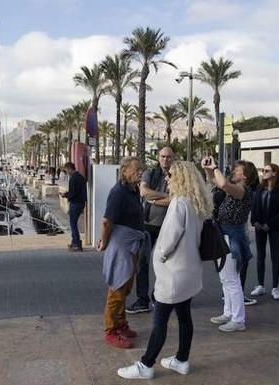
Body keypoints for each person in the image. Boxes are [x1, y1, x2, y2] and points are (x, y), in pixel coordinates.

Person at [117, 161, 213, 380]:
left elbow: (168, 239)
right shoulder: (198, 203)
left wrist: (159, 255)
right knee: (184, 317)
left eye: (170, 175)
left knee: (159, 321)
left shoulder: (179, 203)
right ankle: (181, 360)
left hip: (173, 274)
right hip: (190, 270)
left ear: (180, 177)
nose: (167, 178)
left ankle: (146, 365)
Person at [98, 157, 150, 349]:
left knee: (126, 287)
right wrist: (104, 241)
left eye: (141, 169)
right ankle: (111, 330)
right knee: (117, 289)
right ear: (125, 170)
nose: (140, 172)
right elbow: (106, 221)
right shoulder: (118, 192)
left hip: (132, 245)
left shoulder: (133, 189)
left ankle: (121, 324)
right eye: (137, 169)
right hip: (121, 245)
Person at [202, 156, 258, 332]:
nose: (233, 171)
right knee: (225, 278)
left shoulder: (243, 191)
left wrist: (216, 167)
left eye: (237, 170)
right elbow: (213, 180)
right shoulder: (235, 188)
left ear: (245, 176)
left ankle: (238, 319)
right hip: (222, 234)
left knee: (232, 279)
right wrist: (208, 169)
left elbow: (224, 184)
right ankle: (228, 312)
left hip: (232, 235)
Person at [126, 147, 175, 314]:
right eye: (163, 156)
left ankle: (160, 296)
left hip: (169, 225)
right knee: (143, 261)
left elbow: (177, 199)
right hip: (148, 224)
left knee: (167, 263)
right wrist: (164, 197)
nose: (166, 160)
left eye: (169, 157)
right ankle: (142, 299)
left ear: (173, 158)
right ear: (158, 157)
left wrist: (154, 200)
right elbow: (144, 191)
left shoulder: (177, 175)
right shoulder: (150, 173)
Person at [250, 163, 279, 300]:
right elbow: (254, 205)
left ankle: (275, 287)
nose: (264, 172)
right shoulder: (260, 187)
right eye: (263, 170)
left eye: (267, 170)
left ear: (274, 173)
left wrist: (270, 224)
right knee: (260, 256)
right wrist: (254, 220)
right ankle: (260, 285)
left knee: (274, 256)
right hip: (259, 226)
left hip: (274, 227)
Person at [60, 162, 86, 252]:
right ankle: (74, 242)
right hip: (81, 202)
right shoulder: (80, 177)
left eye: (66, 170)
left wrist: (65, 195)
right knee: (73, 223)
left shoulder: (73, 178)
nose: (66, 172)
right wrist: (68, 194)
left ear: (70, 168)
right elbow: (76, 191)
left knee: (73, 224)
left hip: (75, 203)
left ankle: (77, 244)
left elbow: (73, 193)